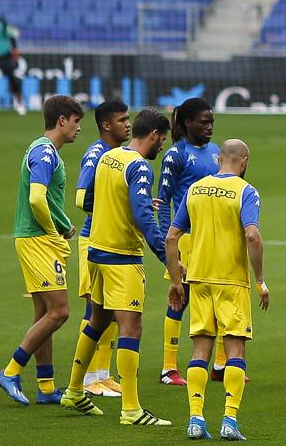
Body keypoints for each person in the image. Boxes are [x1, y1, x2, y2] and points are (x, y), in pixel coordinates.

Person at [60, 108, 173, 425]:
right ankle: (131, 409)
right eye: (162, 140)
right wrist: (167, 257)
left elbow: (91, 199)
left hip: (96, 251)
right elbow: (144, 218)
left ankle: (73, 390)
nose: (162, 146)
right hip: (122, 258)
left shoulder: (109, 157)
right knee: (131, 327)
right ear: (153, 135)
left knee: (96, 321)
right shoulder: (139, 167)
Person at [165, 139, 269, 441]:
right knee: (235, 350)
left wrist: (176, 281)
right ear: (244, 161)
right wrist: (260, 280)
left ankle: (195, 420)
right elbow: (252, 236)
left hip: (198, 280)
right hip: (231, 281)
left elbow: (171, 237)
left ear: (219, 159)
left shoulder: (195, 189)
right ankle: (229, 420)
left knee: (200, 350)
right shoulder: (246, 191)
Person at [0, 95, 83, 406]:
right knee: (60, 312)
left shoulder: (44, 151)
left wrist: (63, 223)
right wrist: (53, 233)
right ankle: (10, 371)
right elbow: (36, 198)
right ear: (62, 120)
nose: (79, 128)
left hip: (36, 237)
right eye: (76, 121)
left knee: (44, 314)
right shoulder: (44, 152)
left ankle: (46, 387)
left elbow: (46, 200)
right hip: (37, 240)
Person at [158, 98, 222, 386]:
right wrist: (167, 249)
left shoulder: (217, 152)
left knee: (219, 298)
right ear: (187, 123)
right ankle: (168, 368)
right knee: (179, 299)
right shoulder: (176, 155)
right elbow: (162, 202)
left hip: (214, 238)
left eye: (211, 122)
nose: (209, 127)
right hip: (186, 239)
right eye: (203, 122)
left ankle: (220, 365)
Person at [74, 100, 131, 398]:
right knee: (94, 308)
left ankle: (102, 375)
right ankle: (86, 379)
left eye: (129, 118)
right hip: (93, 239)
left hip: (110, 239)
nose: (128, 124)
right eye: (122, 120)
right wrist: (112, 209)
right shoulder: (96, 154)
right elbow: (81, 198)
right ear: (106, 125)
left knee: (110, 311)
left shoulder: (118, 154)